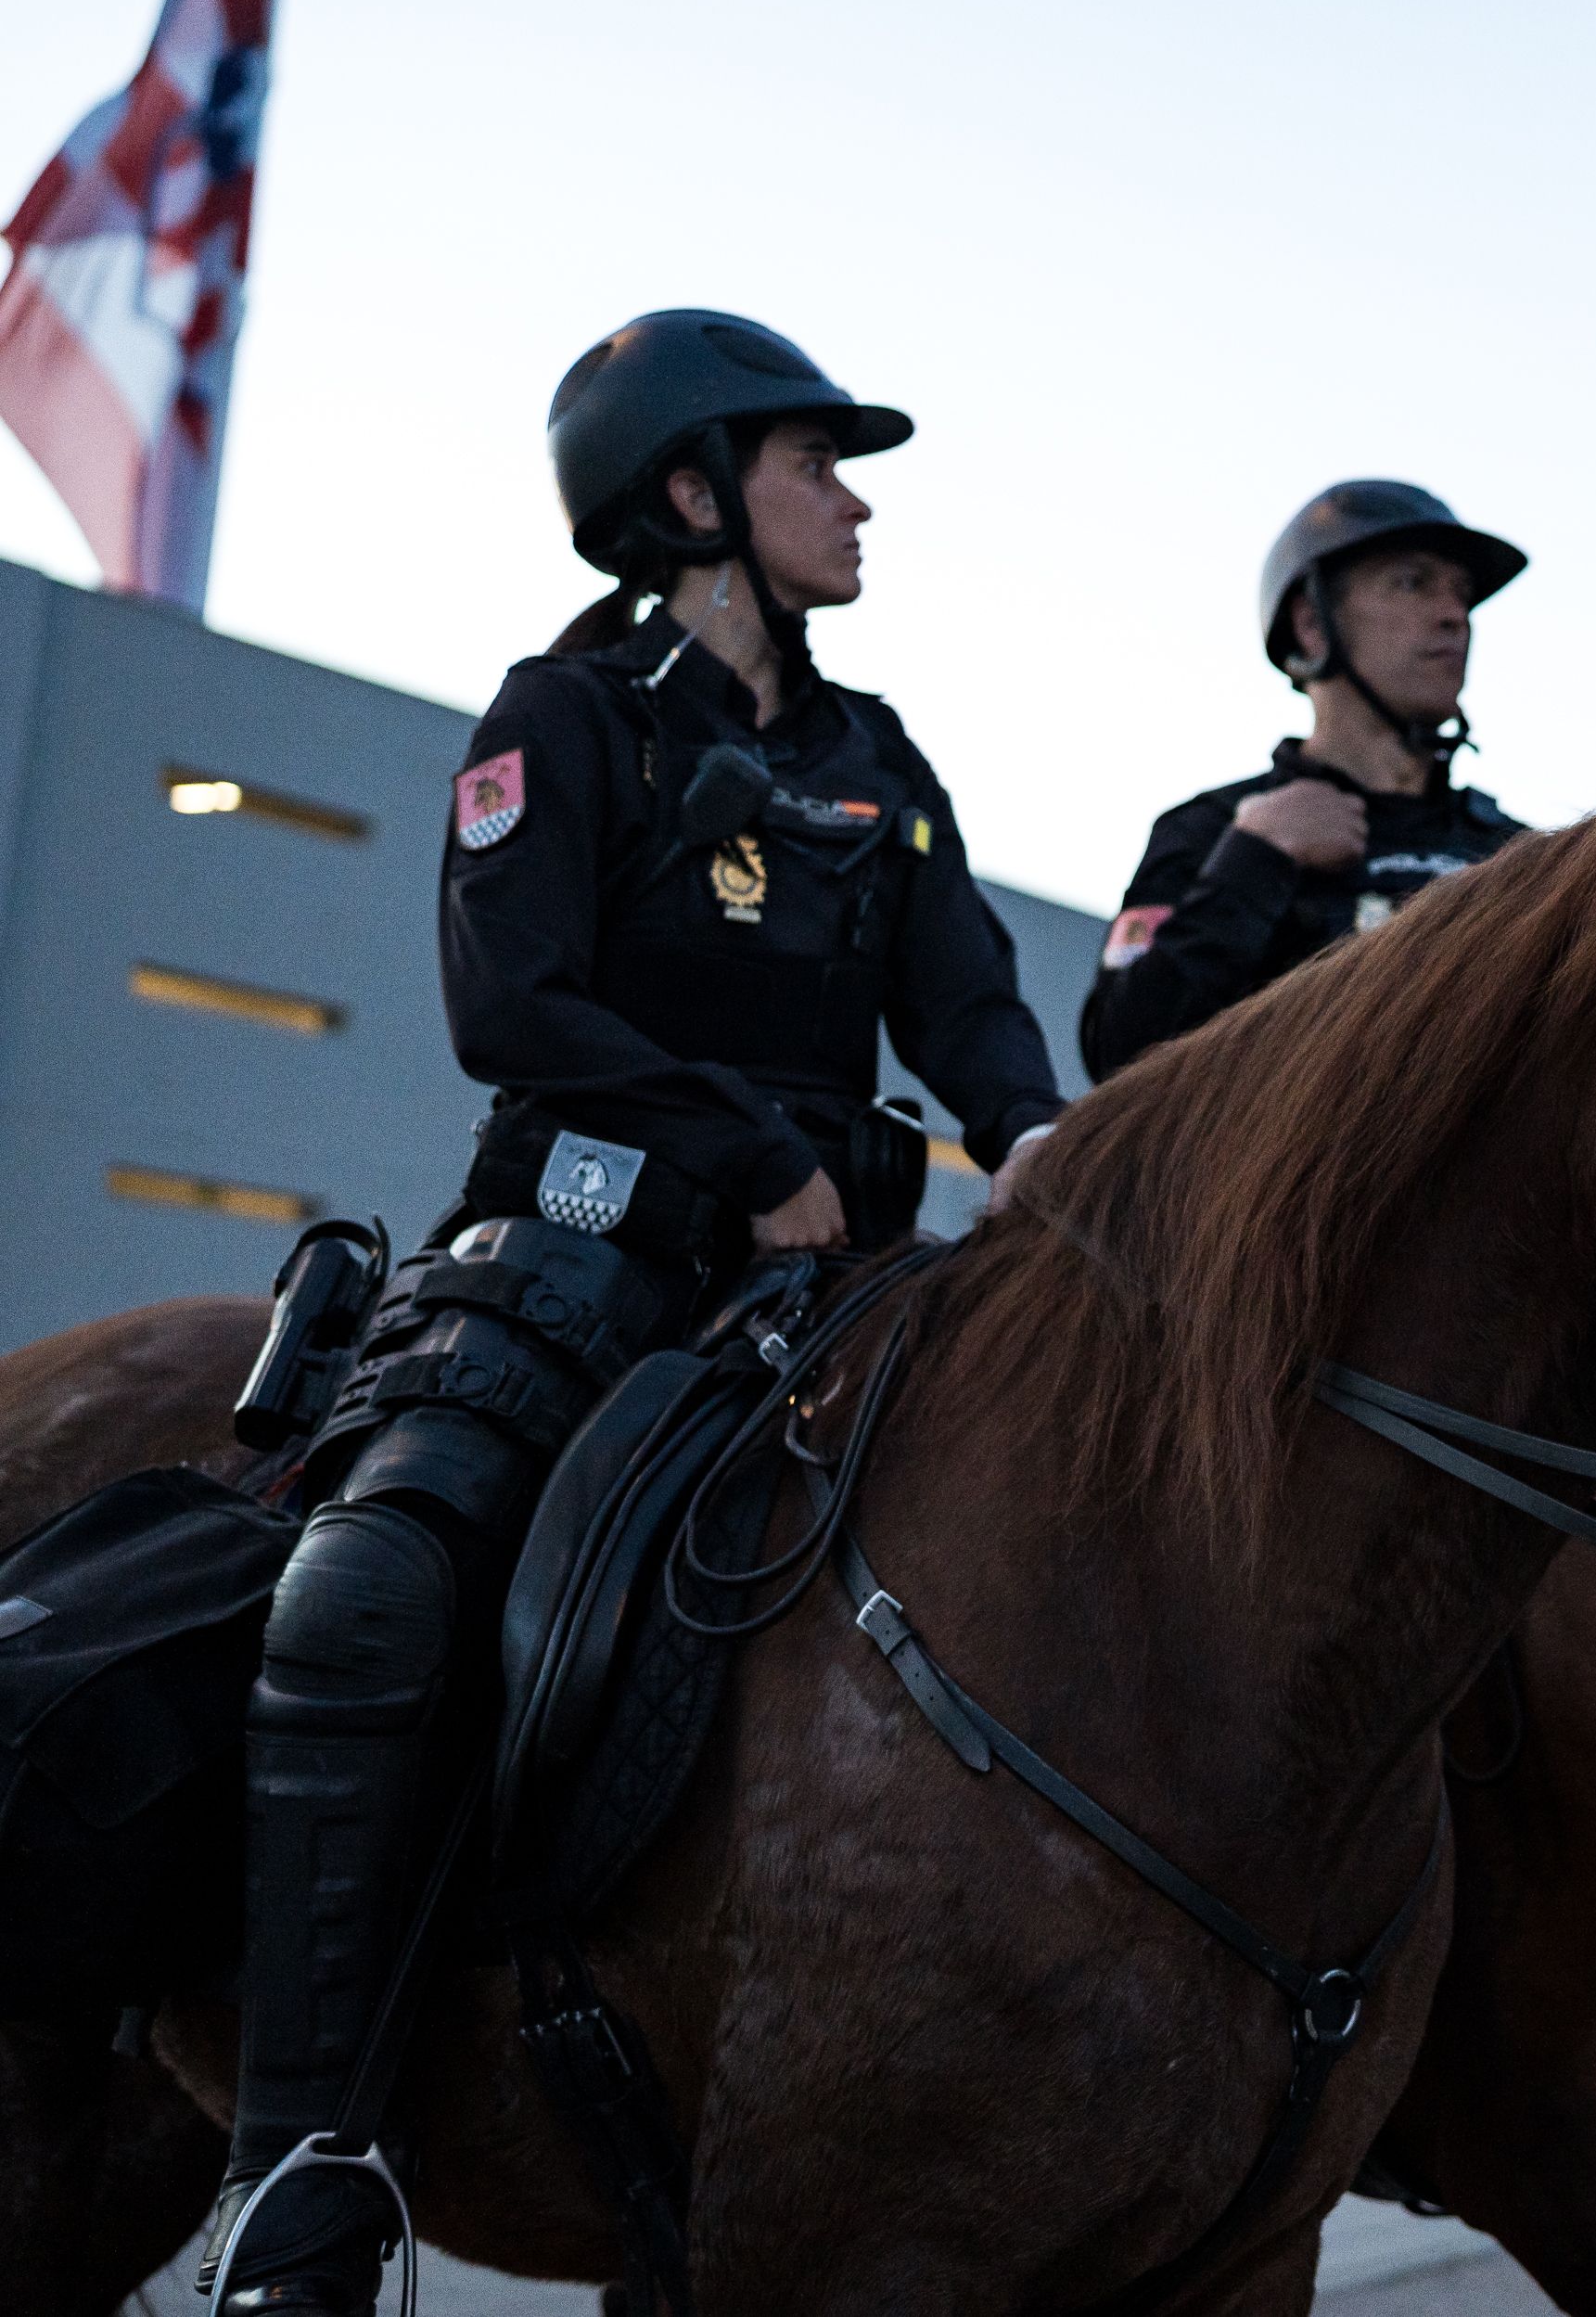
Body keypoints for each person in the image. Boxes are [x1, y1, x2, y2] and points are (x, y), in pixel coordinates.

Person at [198, 313, 1069, 2315]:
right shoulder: (564, 714)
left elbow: (961, 1002)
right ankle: (295, 2168)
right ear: (691, 496)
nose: (854, 501)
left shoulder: (876, 759)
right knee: (376, 1591)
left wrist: (1032, 1137)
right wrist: (742, 1148)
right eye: (811, 463)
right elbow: (512, 1005)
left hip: (836, 1285)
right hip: (579, 1254)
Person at [1079, 481, 1526, 1082]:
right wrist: (1252, 863)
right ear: (1313, 623)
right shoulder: (1211, 830)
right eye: (1412, 582)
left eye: (1462, 595)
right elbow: (1119, 1055)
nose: (1453, 616)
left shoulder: (1517, 856)